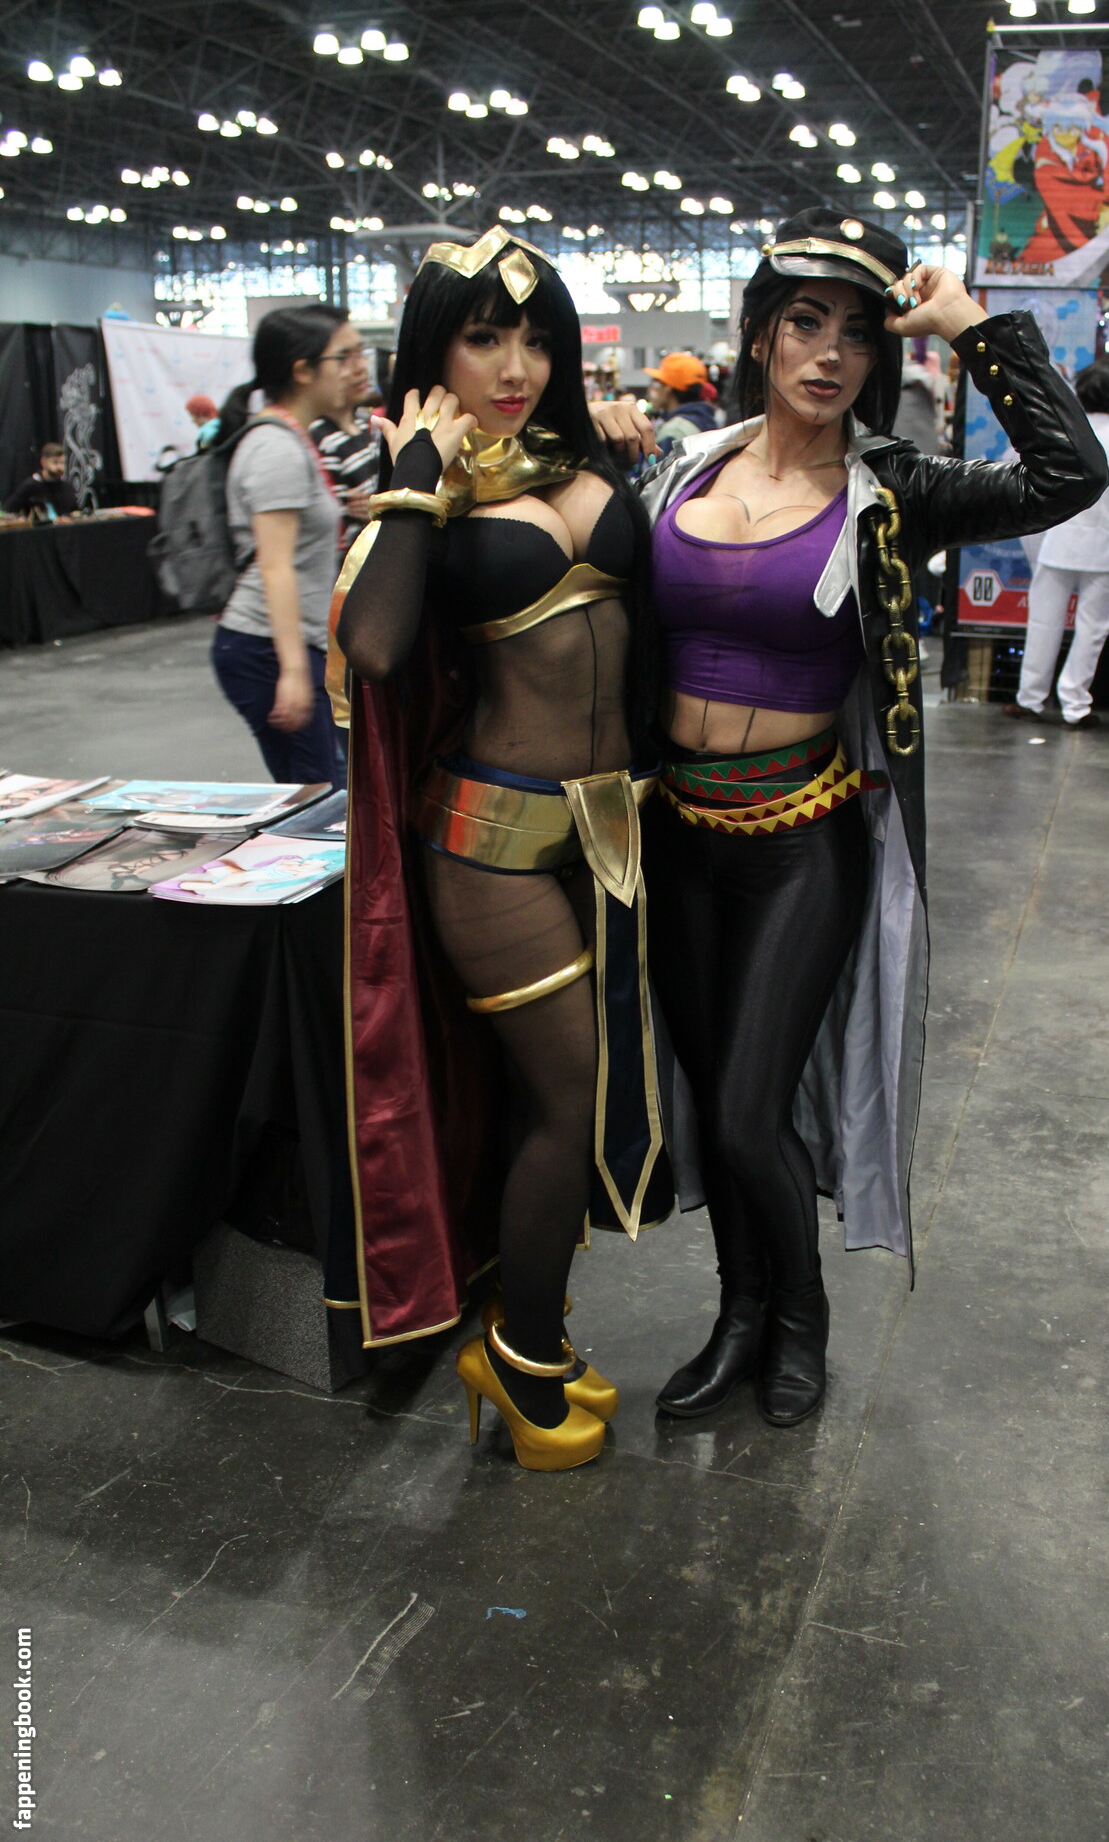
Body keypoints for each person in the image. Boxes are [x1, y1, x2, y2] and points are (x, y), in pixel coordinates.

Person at [629, 209, 1106, 1429]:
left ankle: (800, 1319)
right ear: (758, 335)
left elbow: (1068, 476)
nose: (829, 352)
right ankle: (737, 1315)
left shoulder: (892, 489)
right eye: (804, 322)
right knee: (708, 1103)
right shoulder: (680, 473)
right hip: (676, 834)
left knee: (751, 1110)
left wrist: (972, 327)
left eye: (856, 332)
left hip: (805, 840)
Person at [330, 226, 668, 1472]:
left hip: (611, 833)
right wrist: (415, 475)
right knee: (570, 1099)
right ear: (435, 354)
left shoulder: (582, 454)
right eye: (482, 339)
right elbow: (373, 647)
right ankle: (518, 1359)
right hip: (490, 845)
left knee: (569, 1100)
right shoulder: (422, 492)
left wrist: (633, 455)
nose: (514, 365)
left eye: (534, 338)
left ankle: (537, 1331)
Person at [210, 305, 354, 787]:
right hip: (267, 647)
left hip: (286, 643)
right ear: (303, 370)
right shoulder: (276, 449)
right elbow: (276, 566)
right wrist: (293, 671)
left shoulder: (294, 439)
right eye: (343, 357)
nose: (355, 369)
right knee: (318, 795)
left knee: (325, 787)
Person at [1004, 359, 1109, 729]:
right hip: (1103, 552)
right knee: (1091, 630)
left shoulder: (1064, 437)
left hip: (1058, 543)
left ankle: (1030, 698)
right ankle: (1075, 703)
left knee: (1043, 623)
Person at [309, 347, 379, 555]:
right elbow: (335, 514)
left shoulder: (361, 425)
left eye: (360, 356)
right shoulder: (321, 436)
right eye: (344, 360)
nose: (361, 369)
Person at [645, 352, 718, 454]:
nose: (651, 391)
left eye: (656, 383)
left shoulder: (674, 431)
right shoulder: (706, 420)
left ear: (668, 388)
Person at [5, 445, 76, 519]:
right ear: (43, 462)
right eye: (55, 462)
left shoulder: (67, 487)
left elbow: (75, 513)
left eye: (62, 463)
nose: (60, 467)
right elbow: (9, 510)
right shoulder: (31, 486)